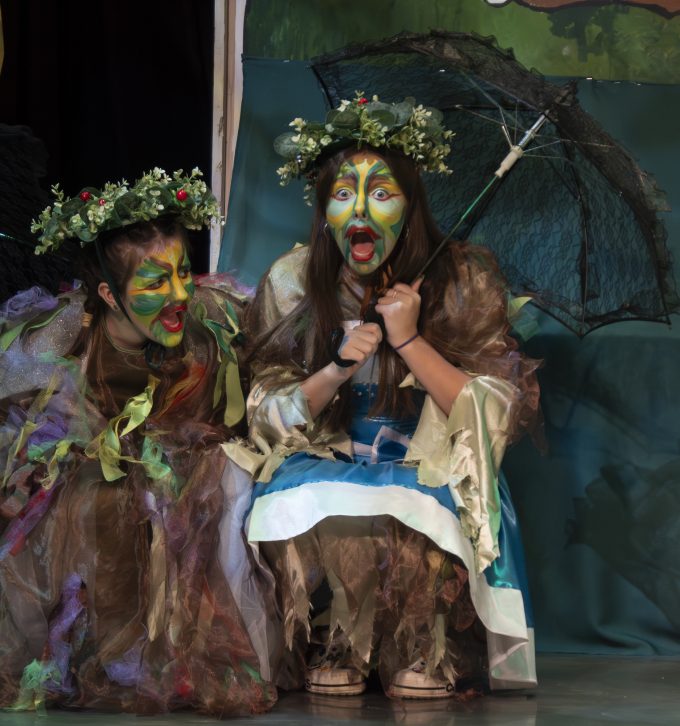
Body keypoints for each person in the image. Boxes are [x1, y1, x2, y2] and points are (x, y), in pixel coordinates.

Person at [234, 94, 541, 698]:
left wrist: (409, 341)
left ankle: (423, 640)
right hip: (330, 452)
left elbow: (492, 415)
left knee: (419, 503)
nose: (359, 211)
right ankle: (341, 635)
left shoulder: (463, 279)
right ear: (323, 208)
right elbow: (266, 413)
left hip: (427, 460)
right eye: (343, 193)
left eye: (380, 193)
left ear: (410, 204)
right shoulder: (293, 280)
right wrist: (335, 370)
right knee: (300, 495)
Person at [0, 168, 275, 716]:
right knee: (94, 498)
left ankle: (160, 654)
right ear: (108, 293)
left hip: (180, 462)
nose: (180, 294)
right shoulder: (68, 333)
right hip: (88, 463)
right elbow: (21, 407)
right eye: (154, 284)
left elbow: (223, 419)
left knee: (171, 497)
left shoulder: (202, 333)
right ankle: (104, 653)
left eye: (183, 273)